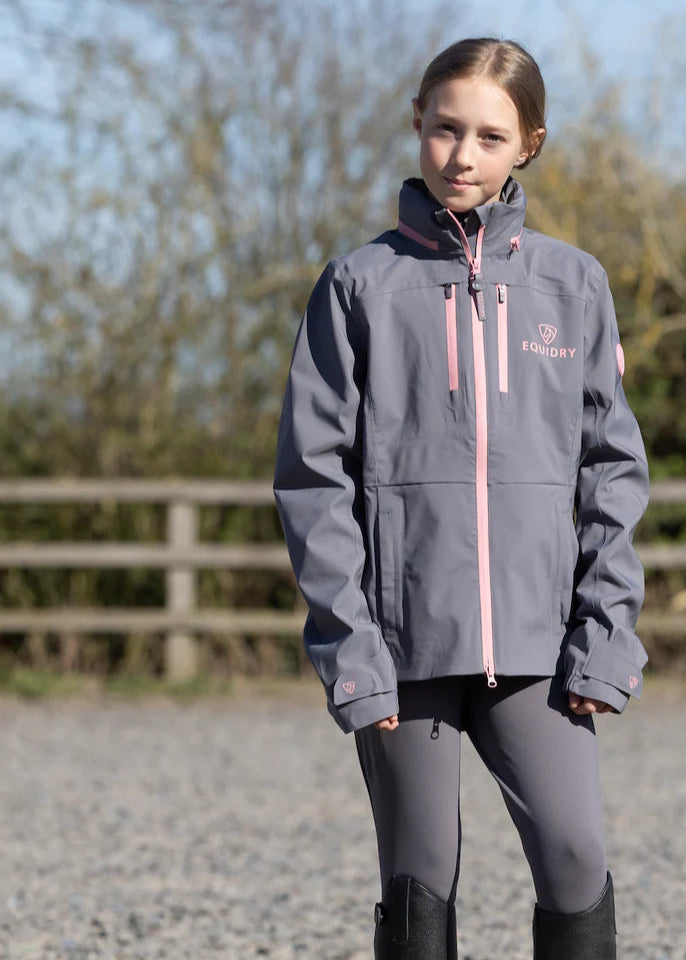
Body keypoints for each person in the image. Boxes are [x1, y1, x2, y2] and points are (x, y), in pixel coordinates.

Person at [274, 37, 649, 960]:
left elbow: (612, 472)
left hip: (539, 650)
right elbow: (313, 482)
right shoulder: (357, 287)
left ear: (529, 144)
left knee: (576, 856)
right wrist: (351, 651)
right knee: (419, 880)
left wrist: (605, 636)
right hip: (402, 653)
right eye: (446, 128)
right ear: (417, 123)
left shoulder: (574, 285)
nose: (462, 155)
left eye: (490, 136)